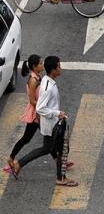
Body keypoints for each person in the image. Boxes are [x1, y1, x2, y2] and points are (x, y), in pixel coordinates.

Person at [8, 56, 78, 187]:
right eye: (59, 66)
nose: (60, 68)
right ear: (53, 70)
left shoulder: (46, 80)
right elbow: (40, 108)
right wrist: (58, 113)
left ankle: (20, 164)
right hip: (52, 125)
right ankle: (60, 178)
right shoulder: (48, 88)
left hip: (51, 124)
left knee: (52, 149)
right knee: (58, 149)